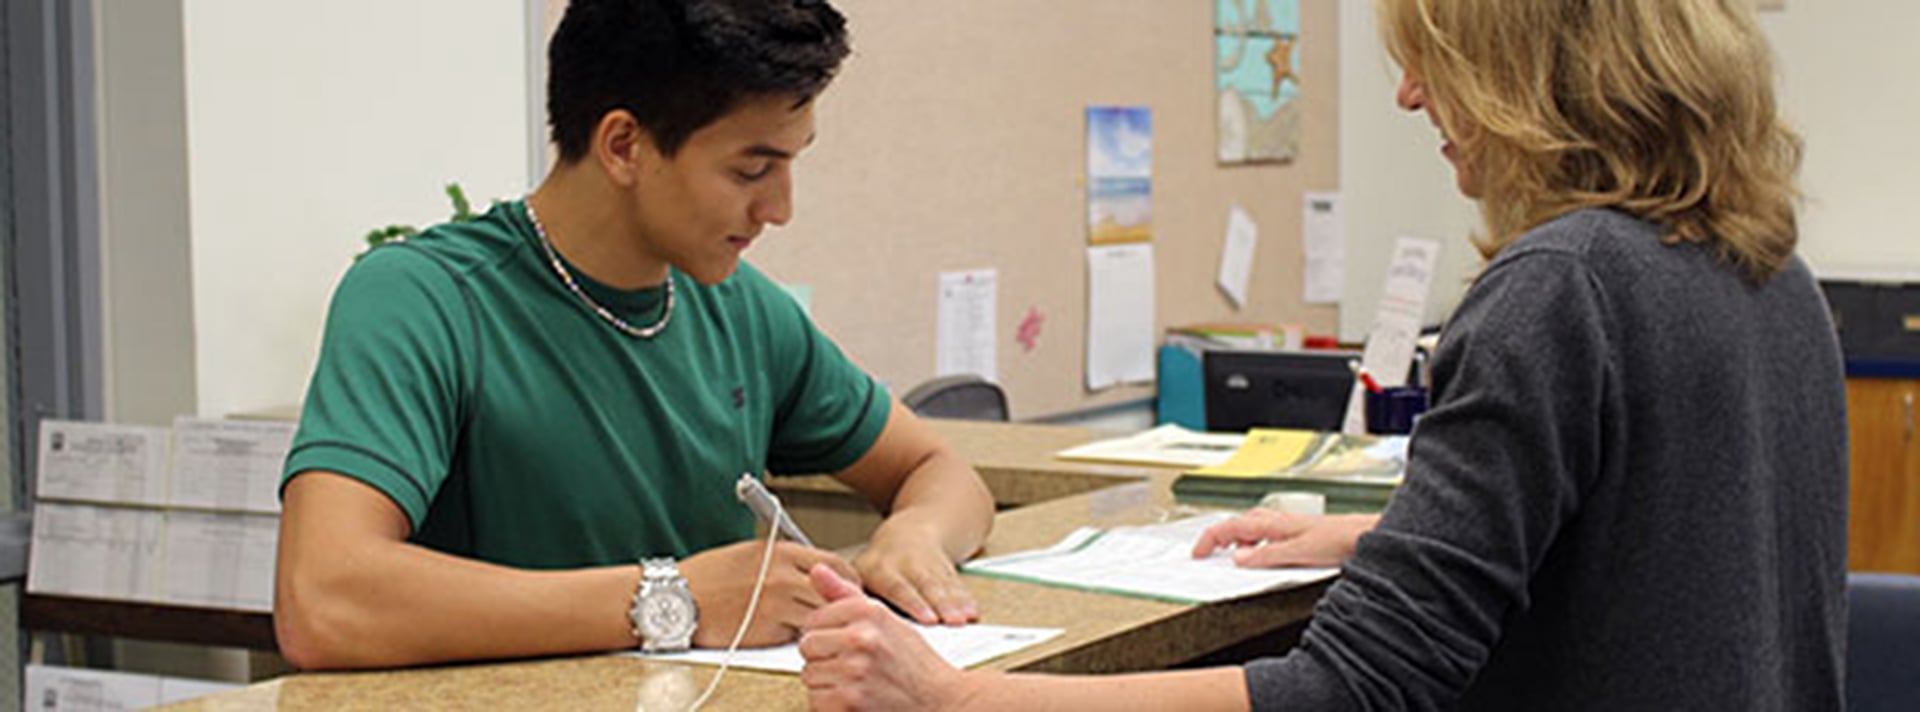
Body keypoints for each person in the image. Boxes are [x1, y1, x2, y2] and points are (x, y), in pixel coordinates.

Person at [797, 0, 1845, 709]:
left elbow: (1356, 688)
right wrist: (1383, 542)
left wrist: (960, 693)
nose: (1408, 95)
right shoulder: (1766, 266)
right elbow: (1668, 541)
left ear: (1525, 69)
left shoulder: (1560, 287)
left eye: (1428, 58)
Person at [273, 0, 994, 670]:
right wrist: (673, 598)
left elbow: (939, 470)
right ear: (623, 146)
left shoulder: (742, 309)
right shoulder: (424, 300)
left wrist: (917, 536)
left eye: (791, 163)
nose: (780, 208)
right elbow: (324, 598)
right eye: (752, 168)